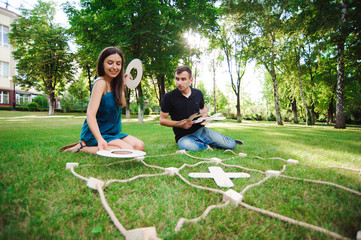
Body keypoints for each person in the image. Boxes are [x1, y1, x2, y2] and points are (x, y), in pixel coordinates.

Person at [60, 47, 144, 154]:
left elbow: (122, 104)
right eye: (110, 63)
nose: (114, 67)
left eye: (118, 64)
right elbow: (90, 115)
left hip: (112, 133)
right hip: (97, 133)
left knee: (139, 146)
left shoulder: (115, 84)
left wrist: (122, 86)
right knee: (128, 150)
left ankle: (88, 145)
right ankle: (81, 148)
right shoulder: (101, 83)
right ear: (102, 64)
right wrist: (100, 139)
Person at [159, 65, 243, 151]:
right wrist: (180, 124)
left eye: (183, 79)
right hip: (183, 136)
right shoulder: (168, 97)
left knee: (231, 145)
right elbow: (162, 120)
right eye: (177, 79)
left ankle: (220, 141)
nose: (179, 83)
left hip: (201, 130)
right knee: (189, 146)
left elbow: (203, 109)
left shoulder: (198, 93)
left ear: (191, 80)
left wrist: (204, 117)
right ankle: (206, 146)